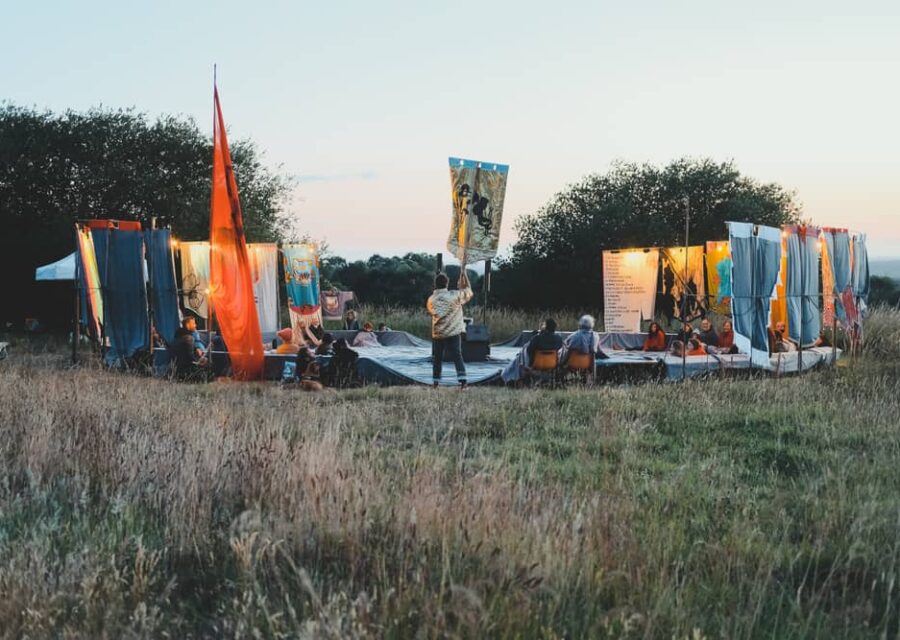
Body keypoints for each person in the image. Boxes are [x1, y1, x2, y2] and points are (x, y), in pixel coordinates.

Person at [427, 271, 473, 389]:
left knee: (437, 358)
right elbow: (468, 291)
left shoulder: (431, 300)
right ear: (447, 283)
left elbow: (433, 312)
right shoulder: (454, 295)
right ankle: (463, 383)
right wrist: (465, 275)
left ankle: (435, 383)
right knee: (457, 356)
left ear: (435, 284)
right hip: (453, 332)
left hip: (438, 333)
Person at [501, 318, 563, 383]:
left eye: (543, 325)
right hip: (552, 363)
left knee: (520, 356)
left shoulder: (537, 338)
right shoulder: (558, 338)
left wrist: (536, 336)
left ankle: (510, 377)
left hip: (536, 363)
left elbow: (529, 350)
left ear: (545, 327)